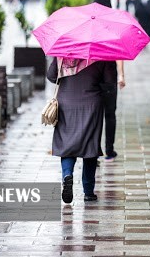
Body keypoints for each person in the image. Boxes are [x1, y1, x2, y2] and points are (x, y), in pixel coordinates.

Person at [47, 57, 116, 203]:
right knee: (90, 144)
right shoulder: (102, 52)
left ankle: (67, 175)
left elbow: (51, 76)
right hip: (92, 104)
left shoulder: (63, 52)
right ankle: (88, 191)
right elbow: (110, 81)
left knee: (67, 143)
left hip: (66, 103)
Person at [93, 0, 125, 161]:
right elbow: (119, 53)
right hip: (109, 77)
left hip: (91, 77)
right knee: (110, 114)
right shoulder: (114, 24)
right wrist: (121, 75)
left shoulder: (90, 23)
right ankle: (109, 151)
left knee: (94, 115)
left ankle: (94, 151)